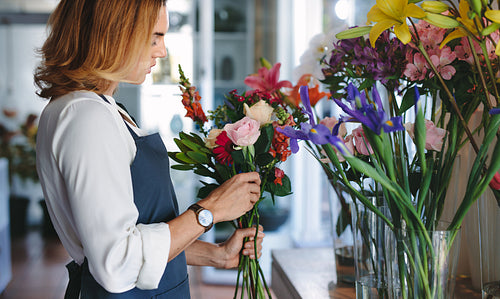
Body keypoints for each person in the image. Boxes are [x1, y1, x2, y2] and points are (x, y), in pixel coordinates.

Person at [34, 0, 264, 298]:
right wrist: (210, 210)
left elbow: (133, 236)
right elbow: (116, 263)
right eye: (154, 36)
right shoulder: (86, 117)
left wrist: (216, 255)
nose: (162, 50)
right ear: (112, 33)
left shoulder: (99, 108)